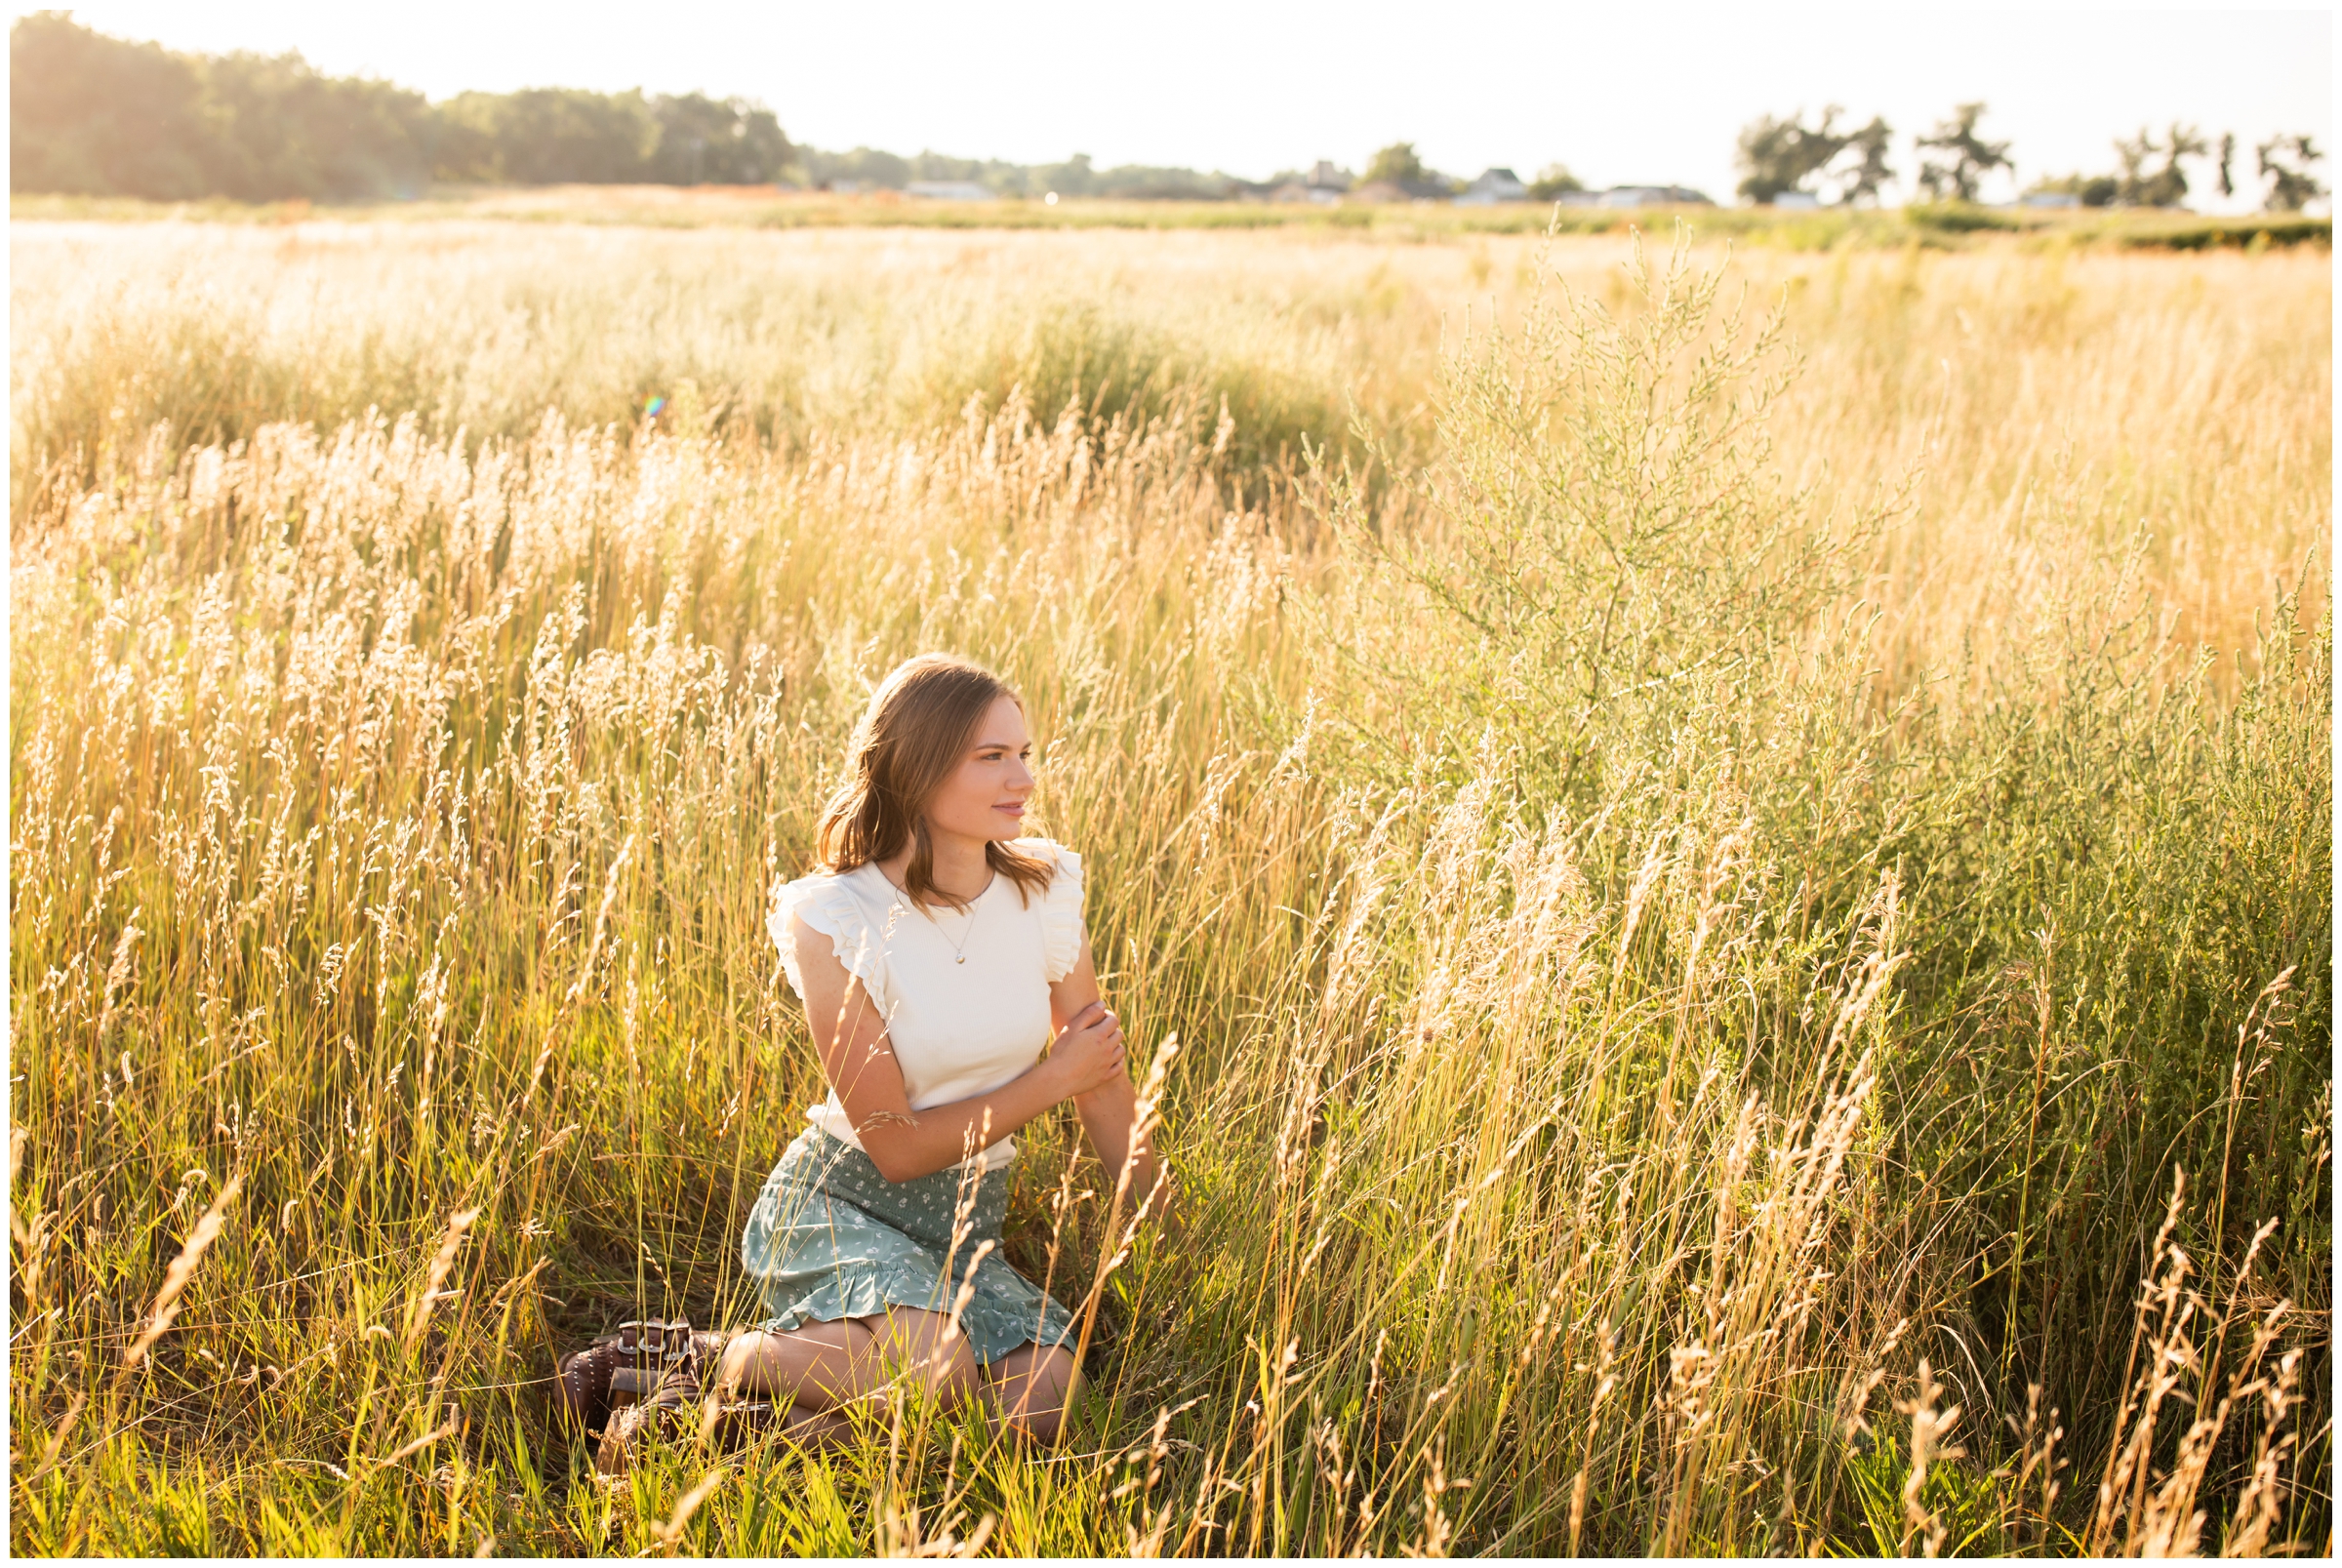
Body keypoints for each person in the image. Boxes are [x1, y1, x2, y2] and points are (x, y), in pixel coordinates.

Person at [580, 653, 1170, 1469]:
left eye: (1025, 753)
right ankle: (682, 1354)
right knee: (936, 1368)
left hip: (967, 1225)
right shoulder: (837, 915)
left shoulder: (1044, 890)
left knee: (1046, 1396)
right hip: (844, 1198)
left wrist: (1160, 1221)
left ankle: (783, 1432)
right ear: (918, 765)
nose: (1022, 777)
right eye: (991, 756)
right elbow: (894, 1145)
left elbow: (1099, 1074)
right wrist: (1049, 1082)